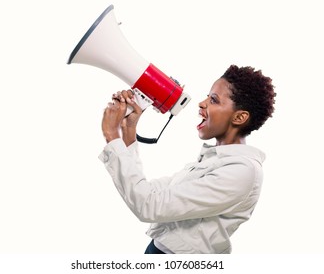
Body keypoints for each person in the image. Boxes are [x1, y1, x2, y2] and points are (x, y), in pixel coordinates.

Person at [99, 65, 276, 254]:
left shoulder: (241, 171)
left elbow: (149, 206)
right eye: (207, 96)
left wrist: (112, 135)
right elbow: (149, 192)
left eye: (214, 100)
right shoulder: (213, 161)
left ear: (240, 117)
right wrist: (128, 129)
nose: (202, 103)